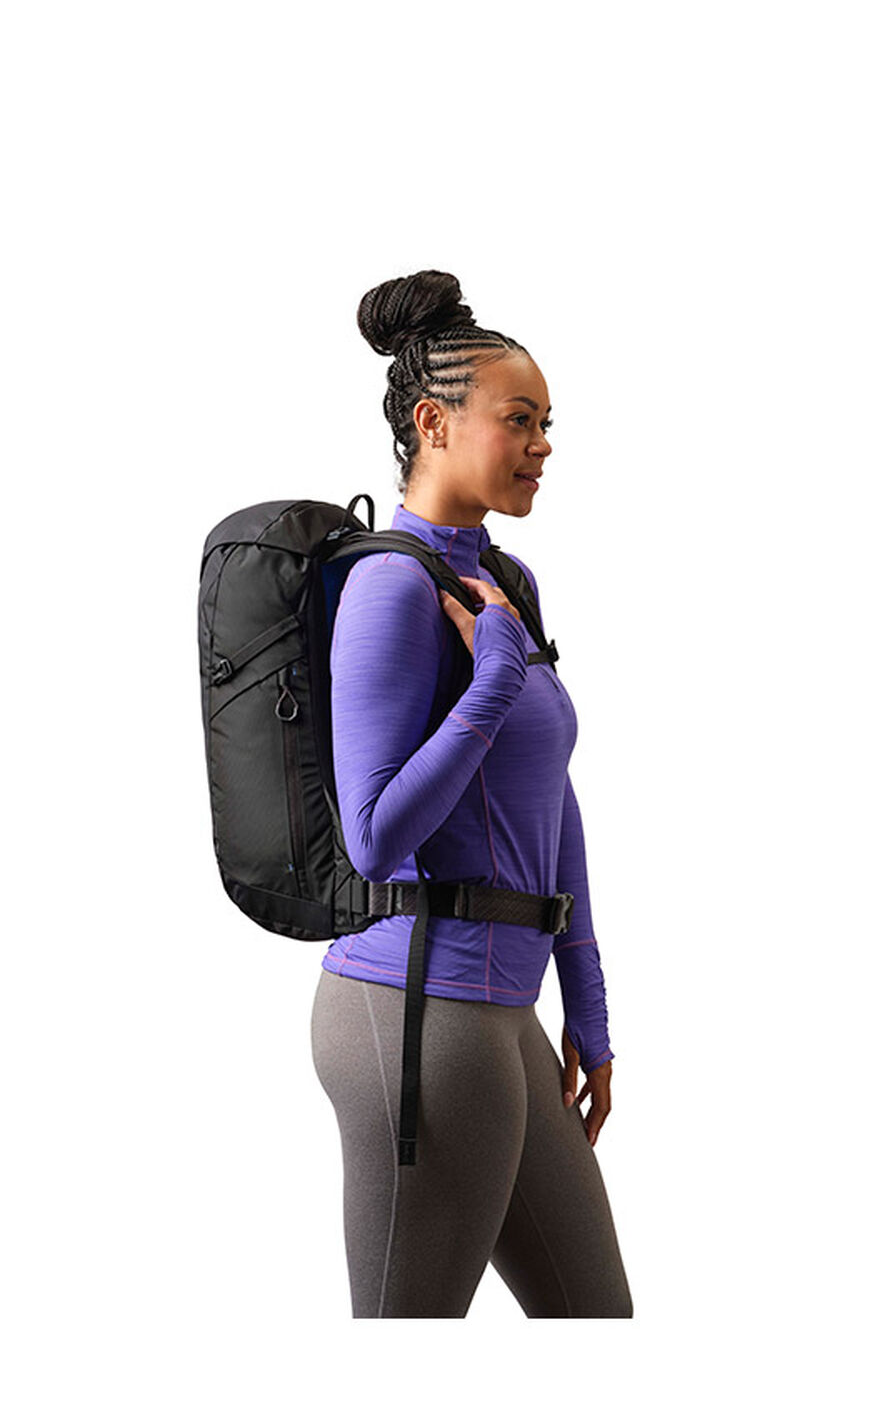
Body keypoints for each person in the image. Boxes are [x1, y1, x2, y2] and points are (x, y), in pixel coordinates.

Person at [310, 269, 633, 1319]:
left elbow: (550, 800)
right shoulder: (389, 588)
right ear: (433, 422)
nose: (542, 444)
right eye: (519, 419)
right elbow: (373, 837)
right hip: (413, 1012)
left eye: (547, 425)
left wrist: (587, 1005)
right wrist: (492, 682)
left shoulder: (505, 583)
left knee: (595, 1321)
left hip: (503, 1015)